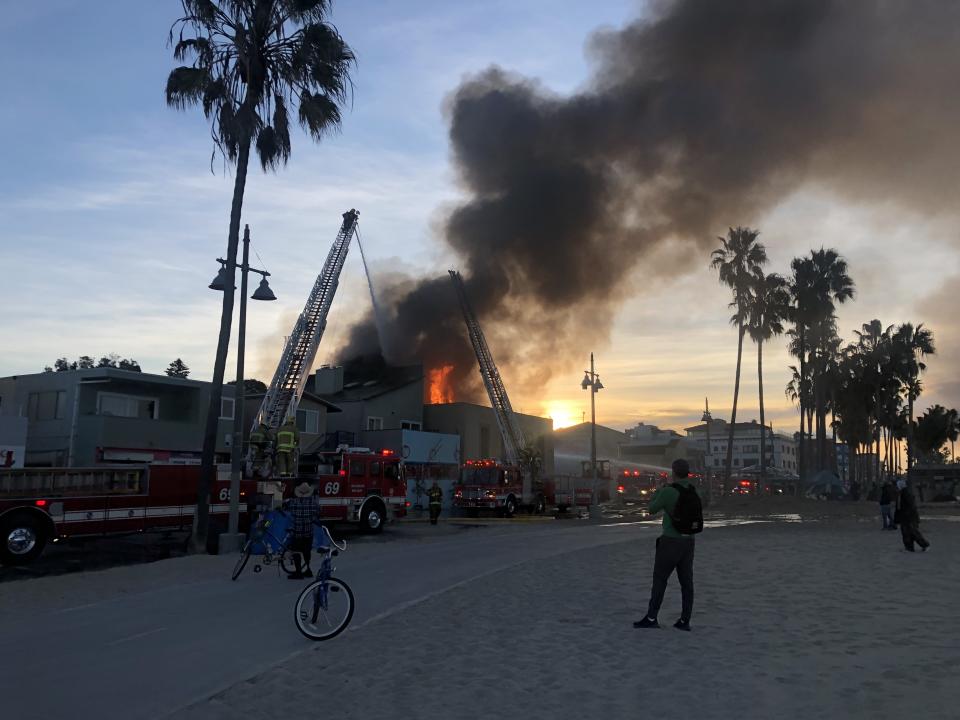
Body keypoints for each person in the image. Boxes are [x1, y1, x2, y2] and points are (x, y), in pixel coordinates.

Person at [635, 458, 702, 632]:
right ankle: (684, 620)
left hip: (670, 540)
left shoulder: (669, 491)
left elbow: (651, 509)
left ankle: (651, 617)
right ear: (688, 473)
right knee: (687, 582)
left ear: (674, 472)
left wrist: (658, 492)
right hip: (689, 541)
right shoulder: (694, 490)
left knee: (660, 579)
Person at [287, 482, 320, 579]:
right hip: (308, 531)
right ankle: (308, 569)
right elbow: (318, 512)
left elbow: (290, 511)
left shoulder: (294, 502)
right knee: (307, 551)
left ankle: (298, 572)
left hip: (297, 531)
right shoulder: (313, 502)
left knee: (296, 551)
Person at [895, 479, 929, 552]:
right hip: (906, 518)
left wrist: (907, 515)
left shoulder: (906, 493)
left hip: (909, 518)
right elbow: (899, 508)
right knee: (907, 533)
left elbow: (911, 506)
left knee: (913, 533)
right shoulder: (901, 494)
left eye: (897, 486)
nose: (896, 488)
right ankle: (909, 547)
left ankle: (924, 545)